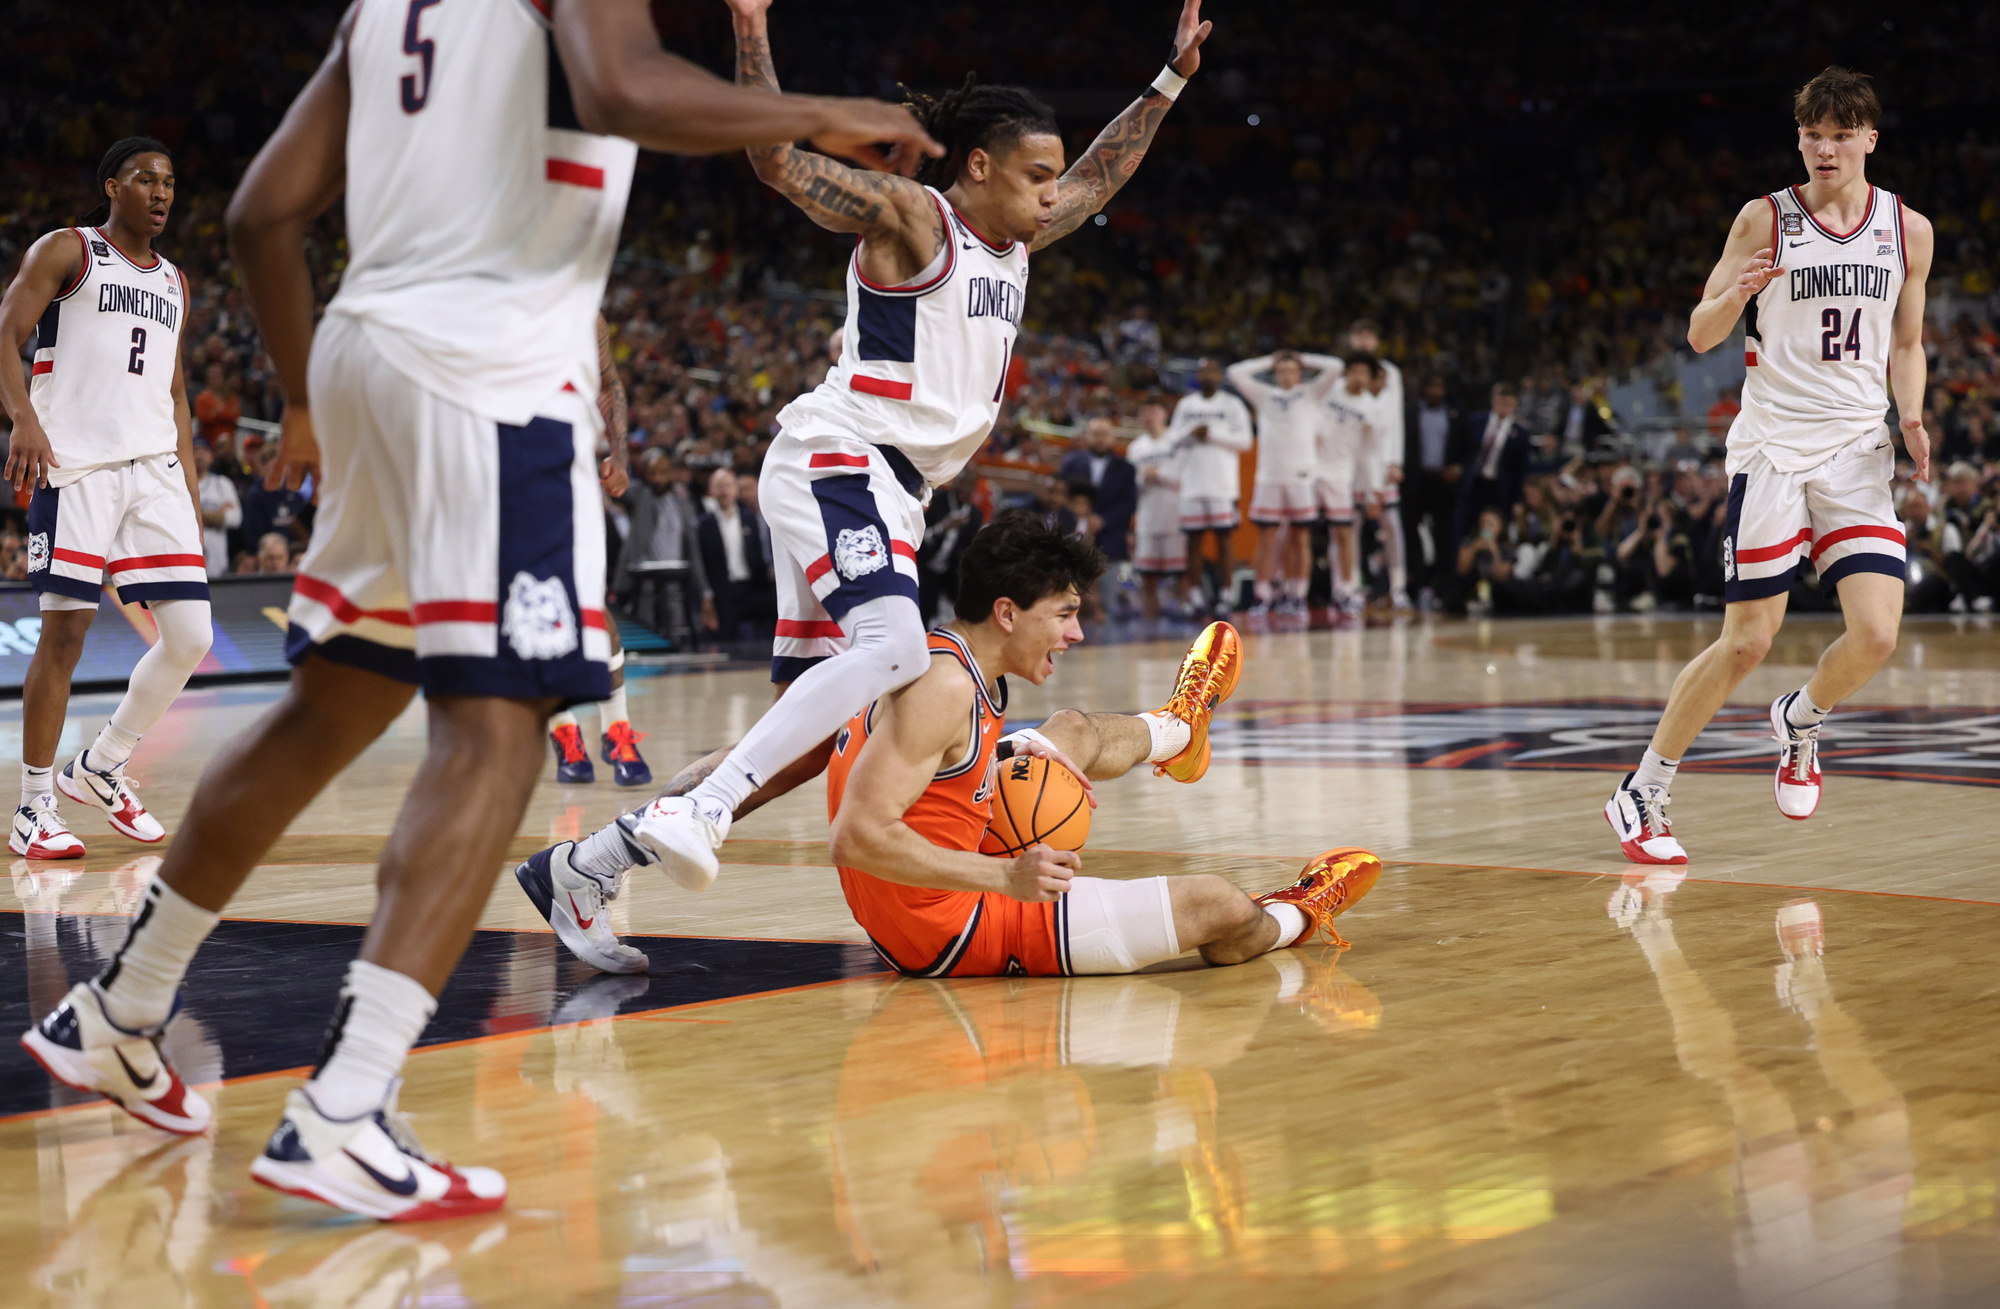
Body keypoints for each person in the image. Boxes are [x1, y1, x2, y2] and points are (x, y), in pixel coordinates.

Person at [17, 0, 940, 1222]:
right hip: (493, 378)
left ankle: (121, 1008)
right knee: (498, 735)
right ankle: (342, 1109)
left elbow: (259, 214)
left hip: (369, 354)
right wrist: (821, 111)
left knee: (327, 706)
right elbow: (621, 89)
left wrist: (308, 396)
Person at [605, 0, 1216, 895]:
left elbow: (1100, 176)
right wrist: (750, 24)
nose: (1055, 193)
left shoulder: (1020, 235)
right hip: (841, 456)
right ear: (978, 166)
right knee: (896, 650)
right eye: (1035, 174)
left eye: (1054, 178)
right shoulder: (914, 218)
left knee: (809, 745)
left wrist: (1169, 82)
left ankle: (587, 866)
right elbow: (774, 161)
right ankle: (697, 807)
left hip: (894, 490)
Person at [1606, 67, 1933, 864]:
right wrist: (1735, 295)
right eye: (1812, 134)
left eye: (1841, 134)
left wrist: (1913, 413)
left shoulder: (1907, 229)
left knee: (1879, 634)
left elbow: (1907, 342)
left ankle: (1802, 717)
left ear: (1869, 139)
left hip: (1858, 448)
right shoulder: (1765, 219)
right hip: (1776, 447)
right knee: (1747, 640)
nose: (1825, 147)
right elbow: (1700, 333)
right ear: (1799, 138)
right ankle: (1642, 787)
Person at [825, 511, 1380, 977]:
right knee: (1221, 906)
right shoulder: (943, 689)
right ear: (1007, 613)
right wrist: (1005, 877)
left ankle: (1179, 731)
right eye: (1064, 615)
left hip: (935, 875)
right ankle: (1299, 912)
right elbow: (855, 838)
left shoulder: (947, 657)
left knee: (1069, 728)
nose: (1077, 633)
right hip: (948, 929)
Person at [0, 136, 213, 859]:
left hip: (152, 468)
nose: (160, 192)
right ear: (111, 186)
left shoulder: (176, 282)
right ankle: (32, 807)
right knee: (64, 635)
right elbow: (6, 329)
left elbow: (175, 391)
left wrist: (187, 484)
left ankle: (101, 762)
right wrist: (23, 416)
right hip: (78, 464)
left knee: (191, 637)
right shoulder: (69, 250)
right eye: (145, 179)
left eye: (170, 182)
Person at [551, 316, 651, 788]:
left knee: (590, 601)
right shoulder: (485, 300)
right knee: (537, 606)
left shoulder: (584, 311)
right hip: (501, 468)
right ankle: (565, 731)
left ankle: (617, 729)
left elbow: (609, 382)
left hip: (572, 467)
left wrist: (620, 454)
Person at [1227, 349, 1343, 615]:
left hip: (1301, 476)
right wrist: (1271, 359)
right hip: (1269, 477)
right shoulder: (1264, 395)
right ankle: (1262, 594)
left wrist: (1302, 356)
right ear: (1274, 373)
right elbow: (1235, 372)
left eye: (1291, 370)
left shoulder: (1311, 393)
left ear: (1299, 373)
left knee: (1300, 538)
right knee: (1266, 539)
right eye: (1281, 371)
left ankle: (1297, 595)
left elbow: (1335, 365)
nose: (1286, 375)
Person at [1170, 357, 1253, 616]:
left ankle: (1225, 596)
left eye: (1212, 371)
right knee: (1193, 542)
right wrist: (1191, 433)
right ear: (1197, 376)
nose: (1207, 375)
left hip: (1222, 486)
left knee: (1224, 540)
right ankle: (1194, 597)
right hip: (1192, 484)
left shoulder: (1232, 404)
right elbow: (1173, 438)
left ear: (1220, 376)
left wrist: (1212, 434)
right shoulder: (1186, 405)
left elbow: (1246, 441)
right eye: (1203, 371)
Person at [1316, 356, 1386, 612]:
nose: (1358, 377)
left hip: (1340, 474)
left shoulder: (1371, 408)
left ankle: (1345, 589)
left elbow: (1370, 453)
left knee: (1343, 534)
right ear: (1346, 373)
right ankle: (1284, 589)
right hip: (1311, 468)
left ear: (1370, 379)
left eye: (1363, 373)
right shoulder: (1329, 392)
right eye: (1354, 371)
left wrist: (1373, 491)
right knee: (1292, 530)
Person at [697, 465, 776, 640]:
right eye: (719, 486)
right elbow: (702, 563)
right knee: (725, 635)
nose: (724, 491)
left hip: (752, 586)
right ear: (711, 491)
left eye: (728, 486)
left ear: (735, 490)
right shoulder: (704, 525)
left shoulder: (749, 519)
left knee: (777, 608)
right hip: (723, 591)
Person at [1125, 399, 1184, 620]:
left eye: (1153, 411)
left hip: (1175, 515)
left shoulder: (1177, 440)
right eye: (1145, 413)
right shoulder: (1136, 447)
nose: (1149, 417)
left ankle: (1186, 614)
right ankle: (1151, 621)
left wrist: (1158, 474)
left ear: (1164, 414)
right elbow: (1131, 484)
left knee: (1181, 573)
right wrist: (1143, 477)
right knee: (1148, 575)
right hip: (1148, 517)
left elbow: (1186, 477)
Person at [1455, 381, 1532, 546]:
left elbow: (1520, 469)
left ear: (1515, 404)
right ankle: (1460, 566)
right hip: (1473, 484)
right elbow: (1462, 449)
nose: (1503, 406)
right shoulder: (1476, 421)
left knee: (1492, 529)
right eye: (1500, 401)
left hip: (1498, 489)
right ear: (1493, 401)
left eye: (1508, 402)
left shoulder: (1520, 433)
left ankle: (1486, 560)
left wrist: (1518, 499)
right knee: (1464, 527)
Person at [1056, 416, 1137, 568]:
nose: (1100, 439)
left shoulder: (1126, 469)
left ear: (1113, 436)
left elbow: (1129, 503)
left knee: (1108, 590)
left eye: (1105, 434)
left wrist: (1103, 520)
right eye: (1095, 434)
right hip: (1071, 539)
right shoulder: (1071, 463)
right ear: (1087, 435)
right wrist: (1079, 515)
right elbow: (1060, 494)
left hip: (1111, 541)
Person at [193, 438, 242, 578]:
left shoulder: (221, 483)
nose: (199, 455)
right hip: (189, 562)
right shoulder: (179, 484)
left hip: (218, 565)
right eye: (195, 451)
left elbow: (235, 519)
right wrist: (216, 515)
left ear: (211, 456)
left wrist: (194, 514)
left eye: (204, 451)